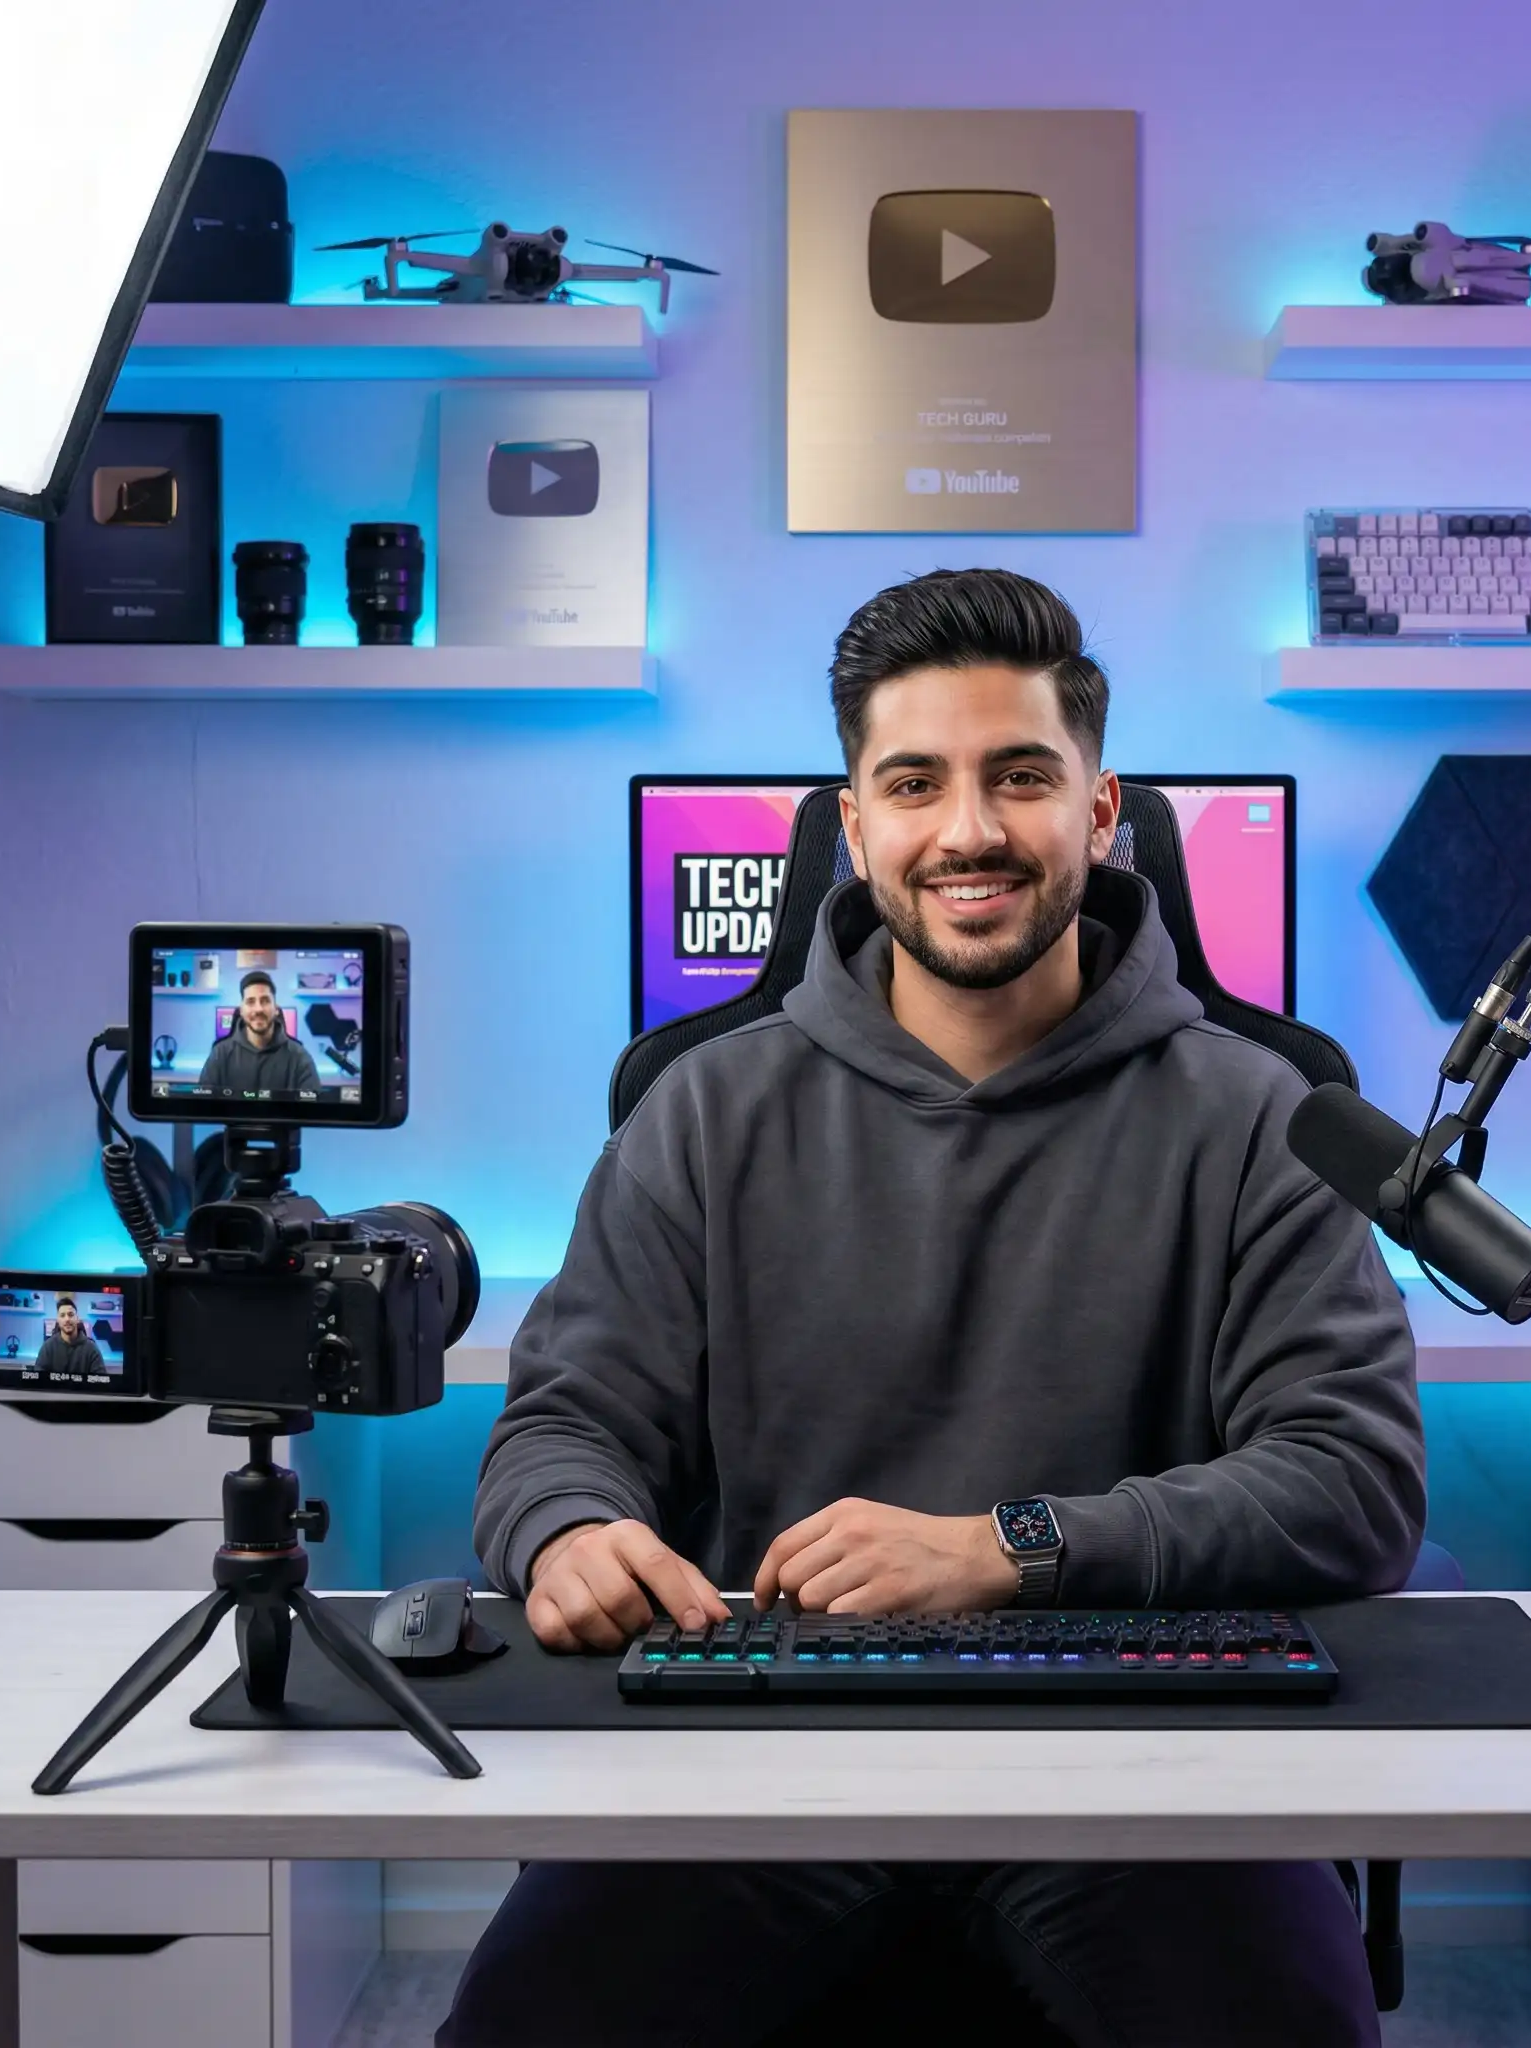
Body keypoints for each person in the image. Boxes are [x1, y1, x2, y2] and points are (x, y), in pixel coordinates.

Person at [443, 569, 1426, 2048]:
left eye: (1020, 775)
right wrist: (569, 1529)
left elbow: (1352, 1482)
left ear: (1099, 811)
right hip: (764, 1750)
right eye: (915, 783)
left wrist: (1006, 1550)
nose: (969, 829)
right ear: (855, 828)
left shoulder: (1262, 1115)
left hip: (1145, 1759)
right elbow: (562, 1425)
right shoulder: (700, 1111)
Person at [197, 970, 320, 1099]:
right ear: (241, 1010)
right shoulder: (220, 1054)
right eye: (250, 1001)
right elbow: (202, 1104)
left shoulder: (299, 1057)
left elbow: (312, 1106)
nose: (258, 1009)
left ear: (276, 1009)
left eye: (265, 1000)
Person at [34, 1296, 105, 1376]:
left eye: (71, 1315)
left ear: (77, 1319)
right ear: (58, 1320)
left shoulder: (92, 1349)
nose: (67, 1319)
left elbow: (101, 1379)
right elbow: (39, 1378)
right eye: (62, 1315)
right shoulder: (47, 1347)